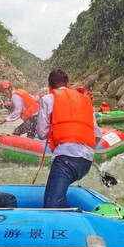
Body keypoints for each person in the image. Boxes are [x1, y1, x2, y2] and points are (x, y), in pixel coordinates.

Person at [37, 69, 102, 208]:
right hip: (86, 162)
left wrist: (57, 126)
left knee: (52, 205)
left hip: (66, 160)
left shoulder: (48, 98)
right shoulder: (84, 100)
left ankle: (71, 227)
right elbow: (97, 134)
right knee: (50, 199)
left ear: (49, 87)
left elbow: (42, 133)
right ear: (68, 84)